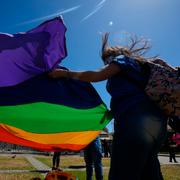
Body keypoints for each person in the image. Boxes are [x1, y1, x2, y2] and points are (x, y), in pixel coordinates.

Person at [49, 33, 167, 180]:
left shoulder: (122, 61)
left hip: (134, 124)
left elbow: (96, 75)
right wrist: (111, 112)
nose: (106, 64)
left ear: (113, 56)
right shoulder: (138, 68)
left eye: (106, 61)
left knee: (122, 173)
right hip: (156, 125)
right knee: (149, 172)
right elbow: (135, 96)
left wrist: (65, 74)